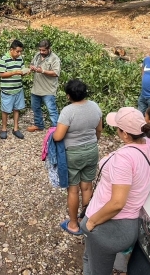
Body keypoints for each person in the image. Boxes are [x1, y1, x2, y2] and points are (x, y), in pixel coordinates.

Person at [80, 107, 150, 275]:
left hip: (107, 223)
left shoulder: (124, 158)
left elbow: (117, 203)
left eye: (118, 129)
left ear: (125, 134)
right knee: (89, 258)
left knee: (97, 268)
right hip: (131, 223)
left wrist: (91, 223)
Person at [52, 79, 102, 236]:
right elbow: (98, 130)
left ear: (68, 96)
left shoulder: (68, 111)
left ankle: (73, 224)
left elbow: (58, 137)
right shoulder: (95, 106)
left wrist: (52, 133)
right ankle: (86, 222)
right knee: (87, 186)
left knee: (73, 190)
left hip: (73, 153)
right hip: (92, 150)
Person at [0, 39, 29, 140]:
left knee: (17, 109)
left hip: (18, 88)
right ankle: (4, 129)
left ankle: (16, 128)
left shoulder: (20, 59)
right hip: (7, 89)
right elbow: (2, 74)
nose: (19, 54)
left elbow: (22, 70)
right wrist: (15, 72)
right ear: (11, 50)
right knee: (5, 110)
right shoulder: (3, 59)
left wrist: (27, 71)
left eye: (20, 51)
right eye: (17, 51)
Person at [28, 39, 61, 132]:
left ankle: (56, 129)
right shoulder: (37, 55)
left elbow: (55, 73)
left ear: (49, 49)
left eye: (44, 50)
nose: (41, 52)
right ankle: (38, 125)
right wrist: (31, 68)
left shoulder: (55, 59)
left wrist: (42, 71)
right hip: (36, 88)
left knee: (52, 110)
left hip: (48, 90)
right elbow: (31, 63)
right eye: (40, 50)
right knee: (35, 108)